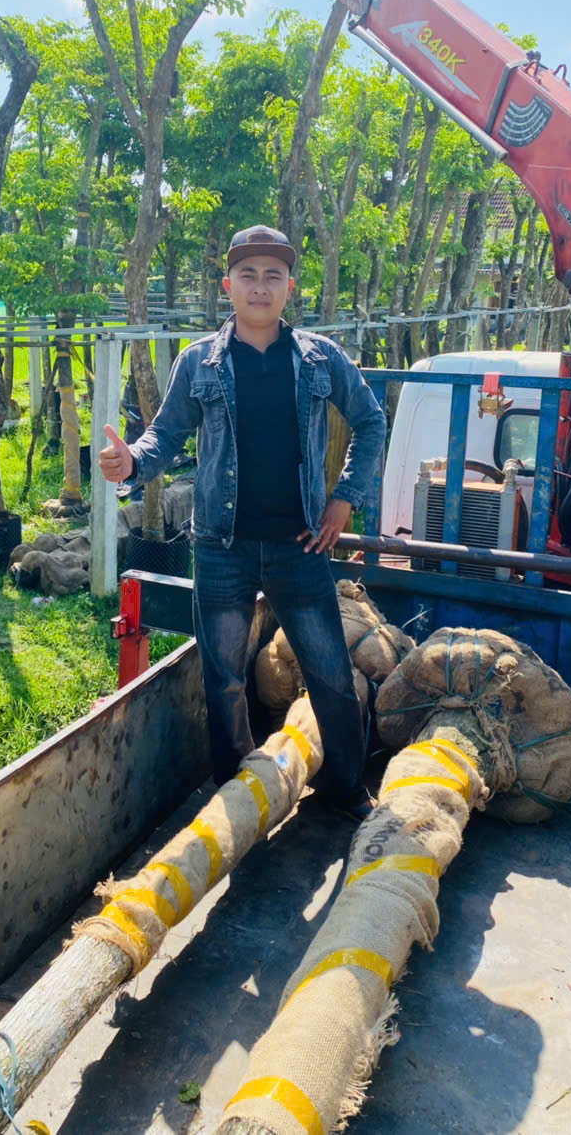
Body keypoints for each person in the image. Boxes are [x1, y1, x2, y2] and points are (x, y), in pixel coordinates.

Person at [99, 225, 387, 818]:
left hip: (301, 545)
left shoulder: (320, 358)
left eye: (272, 276)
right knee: (224, 679)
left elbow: (370, 420)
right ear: (228, 286)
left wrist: (345, 498)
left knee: (331, 675)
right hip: (221, 546)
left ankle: (345, 790)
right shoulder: (199, 361)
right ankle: (238, 794)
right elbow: (165, 434)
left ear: (289, 288)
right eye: (248, 275)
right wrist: (132, 461)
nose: (260, 286)